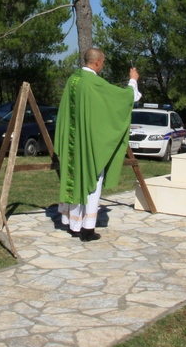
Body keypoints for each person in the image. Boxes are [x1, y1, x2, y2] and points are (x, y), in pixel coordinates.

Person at [56, 48, 141, 242]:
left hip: (73, 143)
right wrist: (133, 80)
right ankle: (87, 228)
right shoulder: (94, 82)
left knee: (74, 179)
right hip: (89, 144)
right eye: (102, 62)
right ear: (96, 63)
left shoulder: (73, 79)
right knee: (93, 181)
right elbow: (122, 99)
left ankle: (74, 225)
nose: (102, 66)